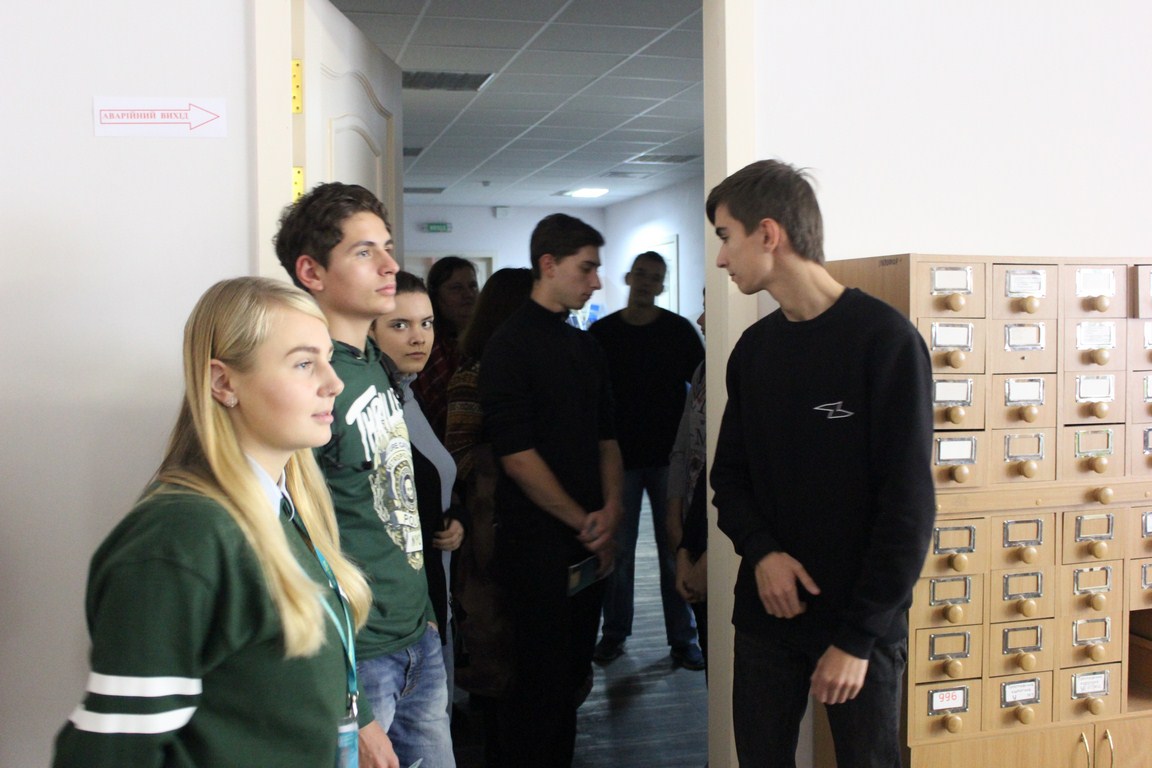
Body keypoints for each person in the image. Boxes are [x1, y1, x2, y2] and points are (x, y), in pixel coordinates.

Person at [52, 277, 373, 768]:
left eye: (328, 359)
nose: (334, 383)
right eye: (304, 363)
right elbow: (108, 754)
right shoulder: (182, 536)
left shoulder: (284, 509)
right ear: (223, 383)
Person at [708, 159, 935, 768]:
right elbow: (728, 477)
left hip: (859, 626)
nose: (721, 259)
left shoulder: (884, 341)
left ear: (768, 233)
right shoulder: (754, 350)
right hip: (767, 620)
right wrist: (763, 553)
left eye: (726, 237)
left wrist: (857, 639)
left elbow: (909, 510)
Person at [275, 182, 455, 768]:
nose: (389, 265)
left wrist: (426, 616)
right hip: (358, 658)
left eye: (388, 248)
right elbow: (286, 549)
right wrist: (350, 702)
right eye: (363, 251)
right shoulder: (304, 381)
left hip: (417, 638)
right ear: (312, 272)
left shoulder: (372, 364)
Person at [478, 214, 623, 768]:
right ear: (548, 264)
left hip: (588, 544)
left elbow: (607, 438)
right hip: (535, 546)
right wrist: (585, 522)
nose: (596, 282)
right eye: (586, 269)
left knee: (571, 679)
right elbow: (517, 458)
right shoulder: (509, 346)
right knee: (535, 685)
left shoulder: (586, 347)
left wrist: (611, 511)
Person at [589, 251, 704, 670]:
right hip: (618, 460)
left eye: (654, 277)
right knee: (618, 552)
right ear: (628, 277)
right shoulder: (602, 333)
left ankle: (683, 638)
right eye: (640, 274)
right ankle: (615, 633)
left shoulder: (678, 331)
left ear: (661, 285)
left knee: (675, 548)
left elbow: (702, 385)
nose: (645, 282)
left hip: (668, 459)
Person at [445, 267, 533, 767]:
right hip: (489, 526)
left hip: (528, 522)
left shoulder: (532, 368)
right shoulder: (473, 373)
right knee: (494, 636)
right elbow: (458, 452)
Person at [371, 271, 466, 710]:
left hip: (430, 597)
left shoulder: (408, 394)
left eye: (426, 323)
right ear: (369, 332)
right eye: (400, 325)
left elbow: (435, 479)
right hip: (393, 620)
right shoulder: (370, 405)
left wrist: (455, 517)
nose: (418, 337)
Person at [667, 299, 708, 665]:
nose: (701, 318)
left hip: (718, 528)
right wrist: (674, 510)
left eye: (709, 306)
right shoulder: (701, 372)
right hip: (694, 523)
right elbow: (683, 446)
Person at [413, 256, 479, 441]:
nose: (468, 295)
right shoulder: (427, 344)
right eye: (456, 288)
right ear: (436, 296)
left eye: (473, 286)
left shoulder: (486, 340)